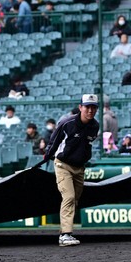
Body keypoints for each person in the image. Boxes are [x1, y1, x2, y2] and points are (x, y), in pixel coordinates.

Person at [40, 94, 100, 247]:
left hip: (79, 167)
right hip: (63, 165)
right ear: (80, 107)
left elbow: (88, 144)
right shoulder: (67, 123)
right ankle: (65, 235)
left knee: (75, 200)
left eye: (93, 107)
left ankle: (64, 231)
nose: (90, 110)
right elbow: (54, 140)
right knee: (69, 197)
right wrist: (47, 156)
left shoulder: (95, 125)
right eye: (87, 107)